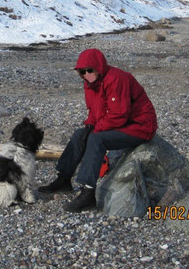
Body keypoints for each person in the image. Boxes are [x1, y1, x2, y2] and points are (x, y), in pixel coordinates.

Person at [38, 48, 158, 212]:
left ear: (99, 67)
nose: (86, 74)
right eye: (82, 72)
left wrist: (96, 130)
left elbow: (119, 115)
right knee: (80, 134)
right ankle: (63, 179)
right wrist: (90, 125)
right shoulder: (90, 83)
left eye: (89, 70)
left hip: (140, 126)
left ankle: (88, 192)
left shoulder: (116, 79)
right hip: (123, 123)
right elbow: (95, 111)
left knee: (96, 139)